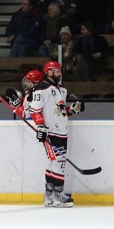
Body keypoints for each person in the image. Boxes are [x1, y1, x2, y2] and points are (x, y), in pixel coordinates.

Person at [28, 61, 85, 207]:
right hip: (50, 132)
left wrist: (72, 109)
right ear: (49, 72)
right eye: (56, 71)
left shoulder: (61, 90)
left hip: (62, 132)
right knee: (59, 161)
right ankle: (58, 195)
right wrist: (41, 127)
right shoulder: (42, 88)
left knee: (53, 162)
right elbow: (35, 110)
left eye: (60, 71)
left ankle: (49, 196)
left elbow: (59, 112)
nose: (59, 73)